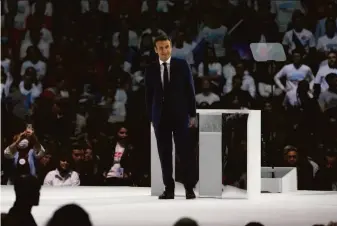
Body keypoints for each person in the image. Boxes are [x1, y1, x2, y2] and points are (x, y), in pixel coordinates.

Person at [145, 35, 197, 199]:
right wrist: (151, 118)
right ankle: (169, 189)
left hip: (180, 116)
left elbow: (190, 90)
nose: (164, 50)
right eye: (160, 47)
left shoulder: (182, 65)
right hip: (160, 118)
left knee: (185, 153)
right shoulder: (151, 69)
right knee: (165, 154)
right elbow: (148, 96)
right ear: (155, 50)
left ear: (171, 47)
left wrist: (192, 114)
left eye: (166, 47)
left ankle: (189, 188)